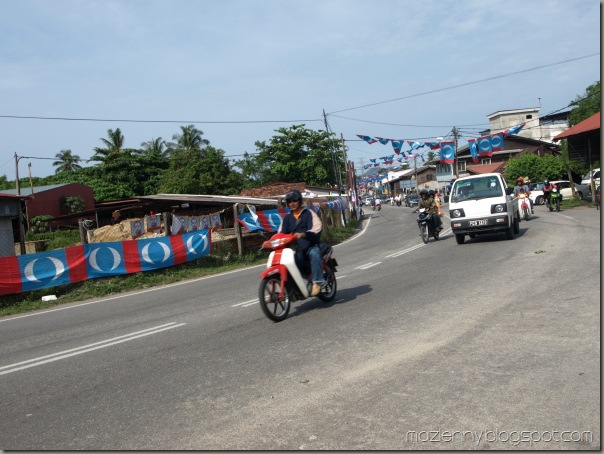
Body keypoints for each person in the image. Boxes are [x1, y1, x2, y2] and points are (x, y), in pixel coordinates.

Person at [278, 189, 324, 296]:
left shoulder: (309, 213)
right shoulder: (287, 218)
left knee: (315, 254)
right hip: (293, 249)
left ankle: (317, 282)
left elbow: (317, 228)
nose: (292, 203)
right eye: (289, 201)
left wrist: (303, 234)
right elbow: (280, 233)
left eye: (294, 200)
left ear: (300, 201)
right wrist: (270, 241)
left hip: (309, 245)